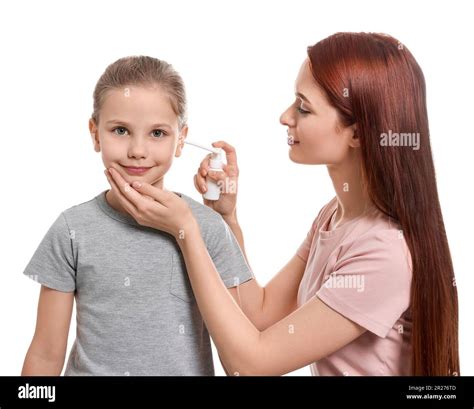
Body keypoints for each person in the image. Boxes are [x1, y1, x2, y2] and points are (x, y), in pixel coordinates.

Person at [105, 32, 460, 376]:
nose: (285, 117)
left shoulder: (383, 253)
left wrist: (187, 231)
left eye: (303, 108)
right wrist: (224, 219)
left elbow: (251, 366)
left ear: (357, 133)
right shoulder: (334, 218)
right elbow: (257, 313)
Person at [21, 55, 254, 375]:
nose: (138, 150)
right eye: (120, 130)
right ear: (95, 133)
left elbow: (244, 341)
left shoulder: (206, 227)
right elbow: (46, 355)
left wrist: (224, 222)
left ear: (181, 139)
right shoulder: (71, 231)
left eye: (157, 133)